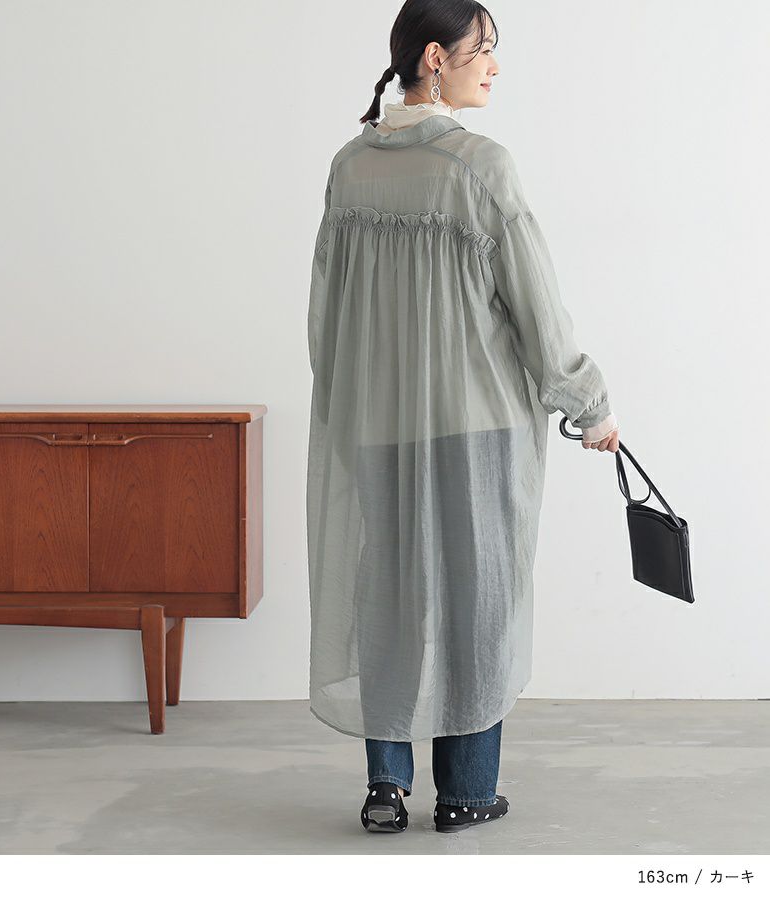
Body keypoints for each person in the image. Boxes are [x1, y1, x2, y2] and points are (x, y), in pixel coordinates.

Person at [306, 0, 619, 835]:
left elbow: (325, 316)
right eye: (484, 49)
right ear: (436, 58)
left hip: (378, 422)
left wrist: (349, 405)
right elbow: (537, 307)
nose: (496, 66)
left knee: (386, 595)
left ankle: (385, 785)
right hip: (476, 427)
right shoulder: (481, 166)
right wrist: (588, 404)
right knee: (479, 602)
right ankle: (467, 793)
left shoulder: (349, 167)